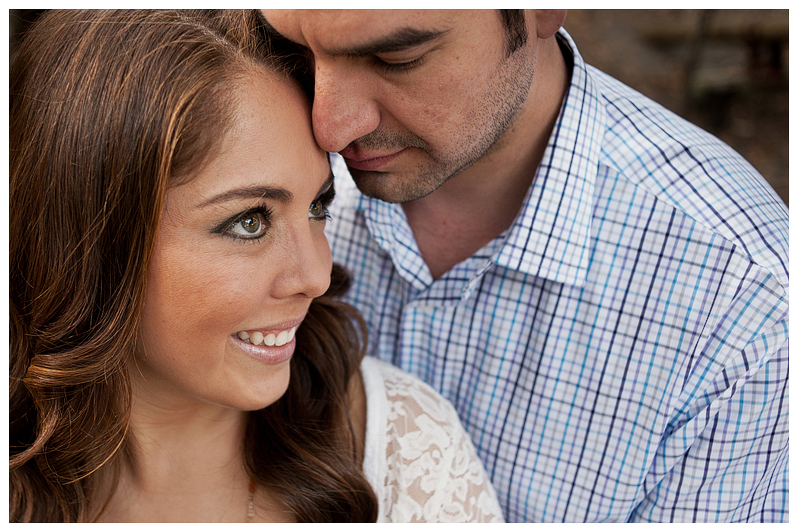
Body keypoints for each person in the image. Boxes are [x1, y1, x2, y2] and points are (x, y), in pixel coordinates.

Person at [260, 9, 789, 522]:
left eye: (396, 56)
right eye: (297, 50)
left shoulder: (744, 302)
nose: (329, 129)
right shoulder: (243, 173)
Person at [8, 9, 504, 523]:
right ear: (86, 236)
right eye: (249, 222)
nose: (316, 276)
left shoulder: (405, 452)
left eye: (317, 207)